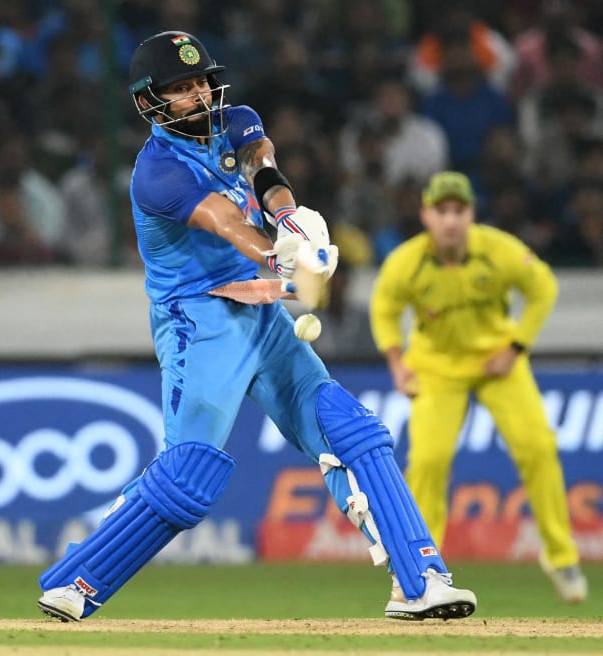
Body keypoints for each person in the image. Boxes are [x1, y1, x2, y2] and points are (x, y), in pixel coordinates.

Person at [36, 31, 477, 623]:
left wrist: (290, 220)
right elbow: (223, 221)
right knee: (189, 474)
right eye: (181, 88)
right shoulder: (156, 172)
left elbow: (260, 166)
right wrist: (277, 254)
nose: (198, 94)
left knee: (351, 430)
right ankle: (75, 579)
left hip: (261, 313)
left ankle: (420, 580)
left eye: (201, 82)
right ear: (149, 102)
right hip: (198, 322)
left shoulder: (236, 119)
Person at [369, 171, 589, 604]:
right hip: (436, 368)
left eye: (459, 210)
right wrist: (397, 363)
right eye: (442, 211)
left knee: (538, 448)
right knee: (428, 461)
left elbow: (544, 286)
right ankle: (420, 570)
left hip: (497, 364)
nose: (451, 220)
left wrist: (516, 345)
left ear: (471, 214)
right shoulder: (406, 262)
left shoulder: (499, 249)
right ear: (426, 216)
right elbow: (384, 308)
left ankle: (561, 557)